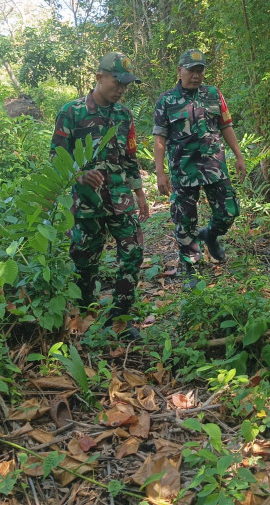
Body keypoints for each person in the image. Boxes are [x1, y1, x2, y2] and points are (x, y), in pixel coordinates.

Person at [50, 52, 150, 339]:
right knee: (85, 261)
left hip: (120, 199)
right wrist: (78, 175)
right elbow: (56, 155)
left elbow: (130, 157)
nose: (120, 90)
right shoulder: (72, 112)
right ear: (99, 78)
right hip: (86, 203)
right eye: (116, 83)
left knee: (133, 252)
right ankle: (87, 312)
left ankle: (120, 318)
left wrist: (140, 193)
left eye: (125, 85)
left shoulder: (123, 115)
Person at [152, 49, 246, 285]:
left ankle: (210, 235)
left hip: (214, 166)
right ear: (179, 71)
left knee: (229, 212)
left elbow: (226, 126)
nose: (196, 75)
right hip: (183, 171)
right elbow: (160, 139)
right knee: (185, 221)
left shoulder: (214, 94)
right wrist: (160, 173)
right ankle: (191, 266)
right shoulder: (166, 101)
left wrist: (238, 155)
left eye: (200, 70)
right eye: (191, 70)